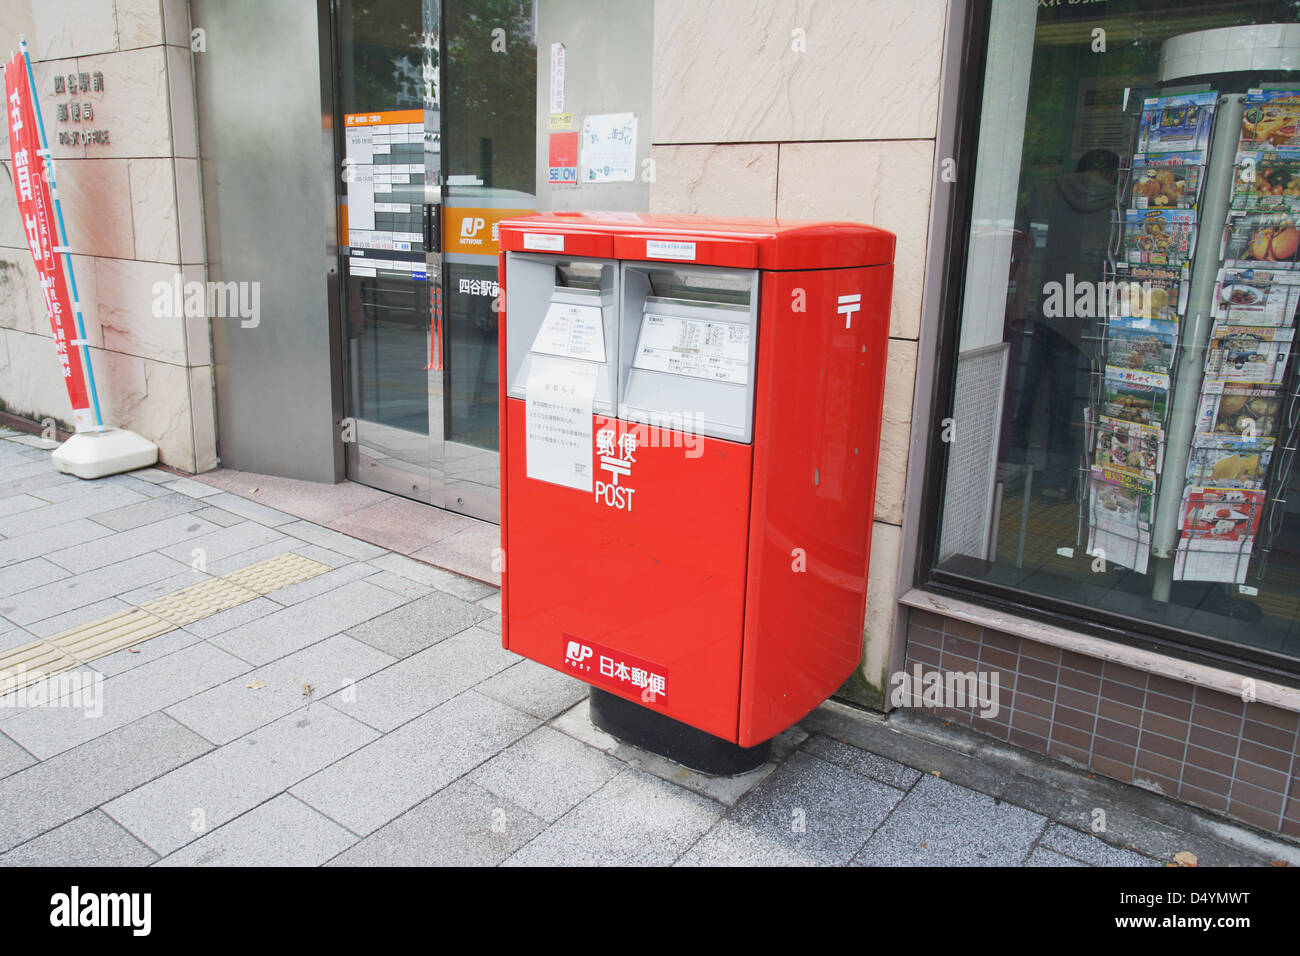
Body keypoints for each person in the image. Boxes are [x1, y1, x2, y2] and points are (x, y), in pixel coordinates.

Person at [1010, 148, 1119, 502]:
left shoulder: (1051, 191)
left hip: (1041, 302)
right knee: (1064, 401)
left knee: (1023, 397)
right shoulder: (1113, 199)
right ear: (1113, 173)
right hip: (1075, 306)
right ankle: (1056, 480)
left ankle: (1009, 470)